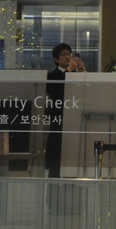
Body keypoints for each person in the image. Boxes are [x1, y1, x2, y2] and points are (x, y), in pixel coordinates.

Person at [44, 43, 85, 177]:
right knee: (57, 154)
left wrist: (83, 73)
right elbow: (55, 91)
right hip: (60, 118)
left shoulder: (77, 74)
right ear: (56, 59)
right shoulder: (51, 75)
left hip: (76, 118)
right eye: (64, 55)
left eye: (69, 54)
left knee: (74, 153)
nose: (68, 57)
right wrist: (69, 70)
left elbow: (87, 92)